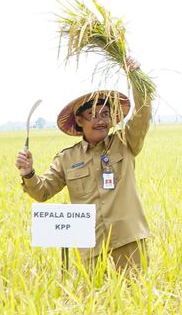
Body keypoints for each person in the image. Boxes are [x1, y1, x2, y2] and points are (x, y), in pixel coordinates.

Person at [15, 56, 152, 273]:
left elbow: (142, 114)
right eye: (93, 115)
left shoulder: (125, 143)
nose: (101, 120)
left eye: (105, 114)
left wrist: (135, 77)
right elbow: (42, 192)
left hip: (128, 239)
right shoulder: (67, 158)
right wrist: (28, 172)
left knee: (136, 298)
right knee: (93, 301)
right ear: (79, 121)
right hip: (91, 245)